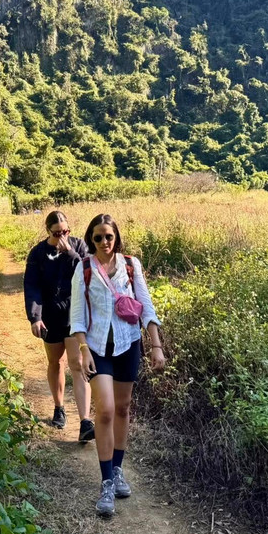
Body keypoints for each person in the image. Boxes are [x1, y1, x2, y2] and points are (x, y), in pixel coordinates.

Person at [70, 213, 165, 517]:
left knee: (123, 408)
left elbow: (145, 305)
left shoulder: (130, 265)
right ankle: (107, 481)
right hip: (97, 347)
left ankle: (118, 469)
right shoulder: (83, 269)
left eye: (108, 236)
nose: (104, 242)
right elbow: (77, 317)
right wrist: (83, 350)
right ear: (90, 239)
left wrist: (155, 345)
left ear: (116, 237)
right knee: (107, 410)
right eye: (97, 237)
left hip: (128, 343)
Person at [23, 211, 95, 441]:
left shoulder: (79, 247)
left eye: (66, 231)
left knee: (77, 364)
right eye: (57, 233)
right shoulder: (38, 253)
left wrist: (70, 253)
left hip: (74, 315)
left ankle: (85, 422)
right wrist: (35, 317)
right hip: (51, 315)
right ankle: (59, 407)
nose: (62, 236)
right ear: (48, 232)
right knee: (56, 362)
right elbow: (31, 286)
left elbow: (87, 273)